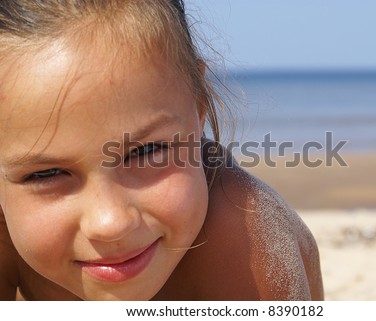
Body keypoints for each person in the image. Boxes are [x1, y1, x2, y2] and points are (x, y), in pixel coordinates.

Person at [0, 0, 323, 300]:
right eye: (46, 174)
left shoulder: (243, 239)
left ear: (199, 106)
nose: (110, 223)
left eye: (147, 150)